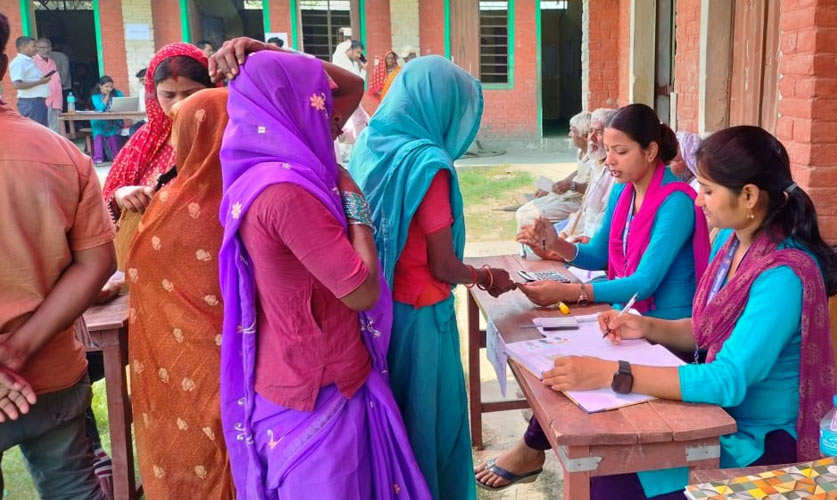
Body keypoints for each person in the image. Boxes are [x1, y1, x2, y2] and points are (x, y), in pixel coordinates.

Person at [543, 125, 837, 498]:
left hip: (757, 437)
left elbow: (729, 378)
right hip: (714, 419)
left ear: (748, 195)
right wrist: (645, 326)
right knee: (607, 469)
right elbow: (704, 330)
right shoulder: (732, 243)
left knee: (612, 484)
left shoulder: (783, 275)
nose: (699, 200)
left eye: (709, 190)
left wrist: (612, 374)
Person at [216, 49, 431, 499]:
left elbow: (351, 87)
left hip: (313, 375)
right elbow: (361, 290)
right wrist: (355, 203)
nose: (332, 119)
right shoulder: (287, 193)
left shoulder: (259, 169)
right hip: (315, 388)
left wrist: (263, 49)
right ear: (290, 106)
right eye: (317, 102)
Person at [477, 104, 710, 491]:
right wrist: (557, 245)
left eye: (620, 151)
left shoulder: (678, 202)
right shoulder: (624, 192)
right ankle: (536, 447)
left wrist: (571, 292)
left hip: (667, 335)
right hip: (628, 322)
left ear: (650, 151)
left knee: (577, 370)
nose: (609, 161)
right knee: (555, 358)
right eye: (607, 150)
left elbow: (644, 283)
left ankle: (534, 448)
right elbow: (599, 253)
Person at [350, 56, 517, 500]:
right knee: (430, 424)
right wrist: (485, 275)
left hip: (381, 308)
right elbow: (443, 266)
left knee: (398, 416)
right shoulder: (427, 164)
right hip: (422, 318)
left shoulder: (373, 142)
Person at [0, 12, 116, 499]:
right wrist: (18, 349)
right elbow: (97, 262)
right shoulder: (61, 153)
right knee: (74, 488)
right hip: (49, 374)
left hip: (39, 376)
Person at [123, 88, 235, 500]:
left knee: (192, 456)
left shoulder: (168, 205)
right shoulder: (256, 195)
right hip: (242, 363)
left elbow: (136, 272)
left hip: (181, 367)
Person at [101, 43, 215, 271]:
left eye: (191, 94)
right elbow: (106, 199)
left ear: (213, 89)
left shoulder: (225, 135)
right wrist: (122, 195)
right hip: (151, 262)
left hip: (210, 262)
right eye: (168, 95)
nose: (179, 103)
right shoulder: (144, 141)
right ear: (154, 94)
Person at [515, 111, 593, 228]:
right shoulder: (581, 151)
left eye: (573, 131)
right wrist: (555, 186)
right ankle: (525, 246)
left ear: (585, 135)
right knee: (522, 212)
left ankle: (539, 245)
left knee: (529, 218)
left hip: (581, 203)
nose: (569, 134)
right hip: (568, 196)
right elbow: (578, 172)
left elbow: (595, 190)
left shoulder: (596, 159)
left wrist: (571, 186)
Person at [560, 107, 617, 243]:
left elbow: (603, 224)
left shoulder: (616, 174)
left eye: (599, 132)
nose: (591, 138)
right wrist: (563, 235)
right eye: (590, 131)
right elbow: (584, 211)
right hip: (584, 237)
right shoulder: (595, 164)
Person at [331, 39, 369, 162]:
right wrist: (363, 70)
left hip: (351, 99)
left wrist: (363, 69)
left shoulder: (350, 64)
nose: (359, 56)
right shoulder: (342, 63)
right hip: (345, 99)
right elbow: (358, 82)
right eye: (357, 52)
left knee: (361, 121)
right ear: (349, 50)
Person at [8, 36, 50, 126]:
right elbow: (17, 85)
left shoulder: (30, 61)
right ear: (23, 47)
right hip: (30, 103)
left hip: (38, 102)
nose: (36, 49)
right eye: (33, 46)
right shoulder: (19, 62)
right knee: (36, 132)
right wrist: (40, 82)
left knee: (42, 132)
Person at [89, 76, 125, 163]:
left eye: (111, 87)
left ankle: (116, 159)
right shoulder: (95, 96)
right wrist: (107, 96)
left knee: (113, 138)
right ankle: (98, 159)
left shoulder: (118, 93)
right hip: (99, 122)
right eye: (106, 87)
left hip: (113, 122)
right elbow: (100, 108)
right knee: (99, 136)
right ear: (100, 86)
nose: (109, 89)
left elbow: (123, 105)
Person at [33, 37, 62, 132]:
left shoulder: (52, 61)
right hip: (44, 100)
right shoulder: (33, 61)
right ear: (36, 48)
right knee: (44, 128)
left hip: (56, 99)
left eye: (48, 47)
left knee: (55, 127)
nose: (46, 50)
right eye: (43, 47)